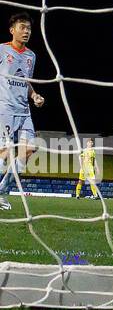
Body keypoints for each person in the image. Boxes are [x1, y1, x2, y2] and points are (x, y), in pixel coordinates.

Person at [0, 12, 44, 210]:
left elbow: (26, 83)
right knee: (4, 156)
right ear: (12, 30)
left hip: (25, 112)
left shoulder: (30, 56)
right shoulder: (1, 50)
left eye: (29, 28)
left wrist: (34, 95)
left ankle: (1, 192)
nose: (26, 31)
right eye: (22, 27)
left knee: (27, 152)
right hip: (5, 110)